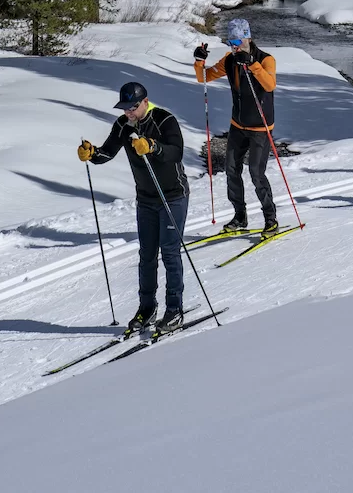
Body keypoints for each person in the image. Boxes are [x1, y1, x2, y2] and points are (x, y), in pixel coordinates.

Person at [79, 80, 188, 334]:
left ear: (145, 102)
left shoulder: (164, 119)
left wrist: (153, 146)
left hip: (172, 195)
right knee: (146, 255)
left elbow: (177, 152)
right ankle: (147, 309)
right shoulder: (122, 125)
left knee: (170, 253)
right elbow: (107, 152)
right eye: (125, 107)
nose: (129, 112)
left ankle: (174, 310)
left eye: (133, 107)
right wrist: (91, 153)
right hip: (146, 199)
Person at [193, 17, 278, 236]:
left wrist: (252, 64)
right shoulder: (229, 60)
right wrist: (199, 61)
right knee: (231, 169)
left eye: (238, 41)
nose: (234, 46)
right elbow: (204, 77)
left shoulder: (266, 59)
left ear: (248, 37)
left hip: (261, 127)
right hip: (238, 124)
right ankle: (240, 217)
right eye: (231, 42)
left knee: (256, 174)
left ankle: (270, 218)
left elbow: (270, 85)